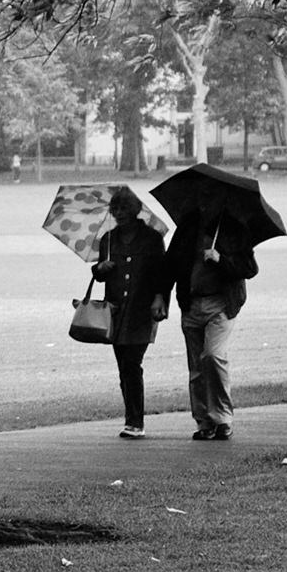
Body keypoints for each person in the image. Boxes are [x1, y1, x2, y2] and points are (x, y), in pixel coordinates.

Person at [166, 209, 259, 441]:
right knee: (197, 367)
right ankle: (204, 421)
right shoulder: (188, 227)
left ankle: (223, 418)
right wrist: (161, 296)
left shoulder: (233, 228)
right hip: (191, 303)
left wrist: (221, 260)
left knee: (213, 356)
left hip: (221, 304)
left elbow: (249, 268)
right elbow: (171, 264)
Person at [91, 188, 170, 439]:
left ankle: (135, 422)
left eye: (124, 209)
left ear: (135, 210)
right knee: (123, 366)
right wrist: (99, 269)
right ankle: (132, 418)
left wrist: (160, 298)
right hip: (115, 311)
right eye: (115, 209)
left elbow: (162, 273)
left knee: (132, 363)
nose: (119, 213)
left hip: (141, 309)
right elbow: (101, 275)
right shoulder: (108, 239)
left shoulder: (151, 238)